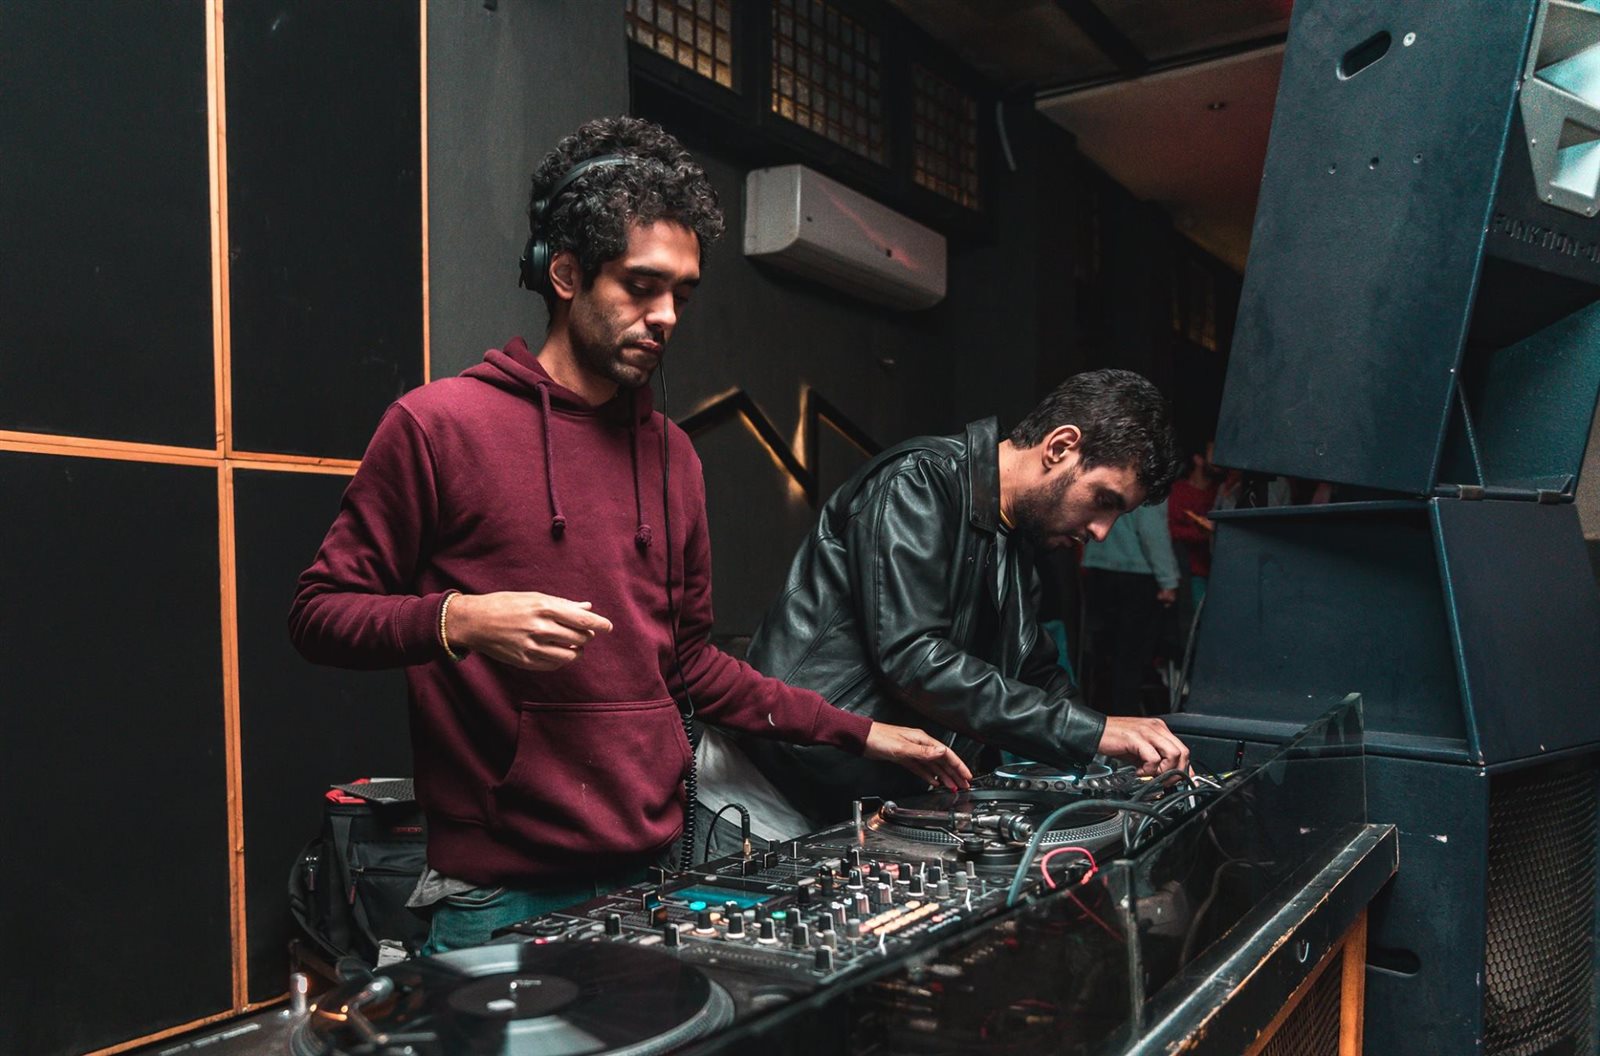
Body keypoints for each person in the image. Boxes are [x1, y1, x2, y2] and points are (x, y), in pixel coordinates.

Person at [288, 116, 968, 953]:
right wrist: (459, 619)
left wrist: (864, 733)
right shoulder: (440, 426)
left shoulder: (675, 457)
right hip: (498, 894)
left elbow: (693, 668)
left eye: (682, 292)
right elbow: (319, 612)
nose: (667, 315)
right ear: (564, 273)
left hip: (652, 877)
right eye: (641, 287)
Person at [697, 369, 1191, 845]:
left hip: (852, 810)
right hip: (762, 798)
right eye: (1104, 500)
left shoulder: (1016, 545)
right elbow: (914, 659)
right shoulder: (920, 481)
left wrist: (1119, 756)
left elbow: (1037, 674)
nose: (1102, 531)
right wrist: (1095, 732)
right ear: (1060, 447)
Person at [1080, 498, 1181, 716]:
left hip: (1099, 565)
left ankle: (1093, 717)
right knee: (1131, 657)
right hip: (1136, 573)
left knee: (1099, 655)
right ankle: (1123, 719)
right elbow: (1151, 531)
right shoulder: (1153, 480)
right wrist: (1168, 580)